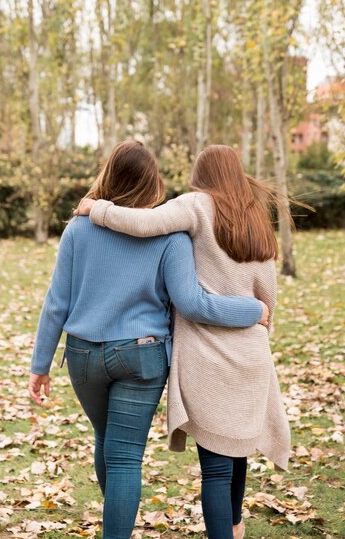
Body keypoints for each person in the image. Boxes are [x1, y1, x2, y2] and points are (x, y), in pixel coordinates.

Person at [29, 140, 269, 539]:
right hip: (141, 356)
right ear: (151, 182)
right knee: (124, 456)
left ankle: (116, 520)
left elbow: (56, 303)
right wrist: (253, 311)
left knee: (107, 440)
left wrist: (40, 366)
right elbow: (192, 303)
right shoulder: (170, 235)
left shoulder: (78, 228)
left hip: (84, 356)